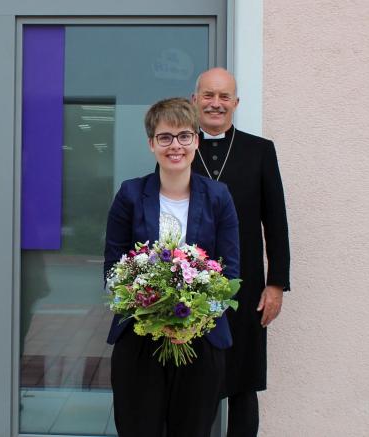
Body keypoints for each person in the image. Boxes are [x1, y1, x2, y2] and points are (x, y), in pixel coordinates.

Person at [104, 97, 240, 436]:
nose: (175, 145)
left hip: (201, 342)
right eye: (165, 137)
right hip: (139, 341)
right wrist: (153, 313)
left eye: (183, 136)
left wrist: (192, 320)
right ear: (152, 144)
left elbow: (231, 274)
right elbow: (112, 271)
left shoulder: (219, 197)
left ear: (196, 140)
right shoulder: (131, 195)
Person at [190, 67, 291, 436]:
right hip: (189, 288)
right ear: (195, 100)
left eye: (223, 97)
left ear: (235, 103)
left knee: (243, 385)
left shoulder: (260, 151)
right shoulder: (180, 148)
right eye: (208, 95)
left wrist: (276, 283)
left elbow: (275, 221)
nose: (215, 104)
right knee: (195, 383)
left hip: (246, 287)